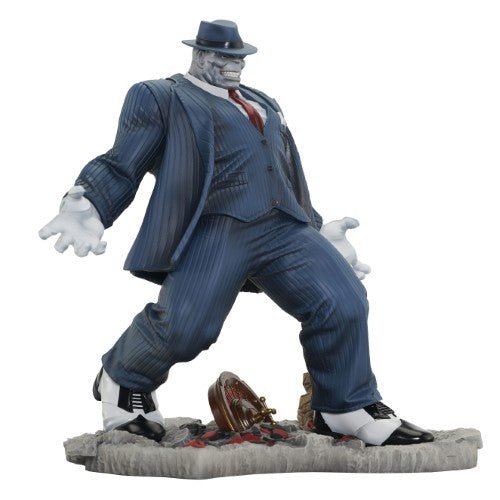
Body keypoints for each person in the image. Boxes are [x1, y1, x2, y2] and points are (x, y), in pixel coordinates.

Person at [39, 20, 433, 446]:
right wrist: (91, 204)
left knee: (343, 300)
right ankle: (123, 379)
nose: (234, 65)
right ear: (198, 54)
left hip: (284, 225)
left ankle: (345, 405)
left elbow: (282, 172)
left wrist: (319, 230)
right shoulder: (162, 96)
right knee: (187, 327)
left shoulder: (262, 102)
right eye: (223, 56)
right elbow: (122, 162)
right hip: (217, 226)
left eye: (239, 57)